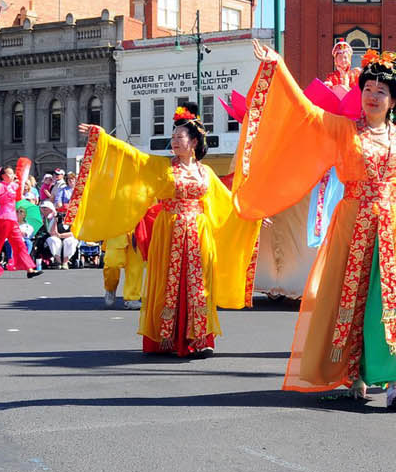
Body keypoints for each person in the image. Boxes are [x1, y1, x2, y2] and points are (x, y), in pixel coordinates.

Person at [234, 42, 396, 409]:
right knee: (349, 297)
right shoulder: (343, 130)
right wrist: (278, 66)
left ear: (393, 100)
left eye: (381, 91)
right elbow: (305, 112)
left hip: (392, 228)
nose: (372, 96)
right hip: (352, 224)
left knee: (392, 299)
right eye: (367, 89)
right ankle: (353, 375)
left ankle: (395, 379)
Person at [70, 102, 260, 356]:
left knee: (199, 284)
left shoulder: (206, 172)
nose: (175, 141)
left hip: (199, 233)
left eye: (180, 137)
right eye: (173, 137)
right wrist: (103, 138)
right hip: (169, 230)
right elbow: (132, 157)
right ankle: (166, 337)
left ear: (194, 142)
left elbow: (225, 201)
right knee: (168, 283)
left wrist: (250, 214)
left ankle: (199, 339)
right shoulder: (163, 167)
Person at [0, 166, 41, 279]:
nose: (12, 175)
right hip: (4, 218)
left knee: (19, 244)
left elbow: (19, 196)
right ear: (3, 176)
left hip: (12, 218)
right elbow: (0, 197)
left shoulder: (13, 185)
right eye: (9, 173)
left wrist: (19, 184)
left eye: (12, 173)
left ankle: (30, 269)